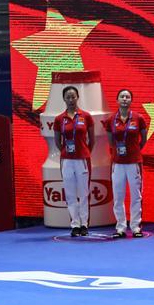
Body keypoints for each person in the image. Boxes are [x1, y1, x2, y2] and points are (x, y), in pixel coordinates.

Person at [102, 89, 147, 239]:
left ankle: (135, 227)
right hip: (118, 163)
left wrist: (134, 151)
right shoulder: (111, 120)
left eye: (128, 97)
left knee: (136, 196)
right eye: (122, 96)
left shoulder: (138, 118)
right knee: (118, 196)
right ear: (117, 100)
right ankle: (120, 227)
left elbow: (143, 139)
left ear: (131, 101)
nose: (125, 99)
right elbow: (110, 141)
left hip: (134, 162)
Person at [53, 86, 94, 237]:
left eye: (73, 97)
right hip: (66, 160)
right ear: (64, 99)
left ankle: (84, 224)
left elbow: (92, 139)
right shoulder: (59, 119)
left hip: (82, 159)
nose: (71, 100)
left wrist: (85, 151)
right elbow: (58, 142)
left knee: (84, 193)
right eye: (68, 97)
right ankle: (75, 225)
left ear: (78, 97)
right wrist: (66, 152)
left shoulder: (86, 116)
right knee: (70, 193)